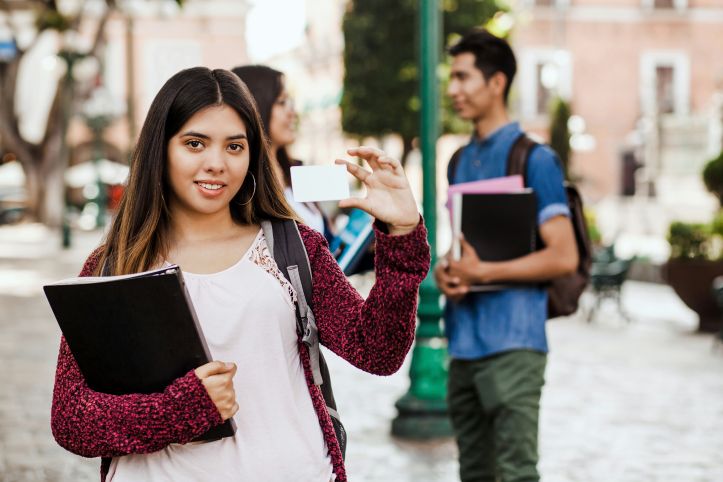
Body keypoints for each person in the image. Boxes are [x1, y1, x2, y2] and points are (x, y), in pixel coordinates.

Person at [51, 67, 430, 482]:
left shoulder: (294, 247)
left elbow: (377, 352)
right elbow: (72, 419)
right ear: (161, 148)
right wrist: (179, 411)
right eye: (195, 143)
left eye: (235, 146)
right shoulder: (113, 265)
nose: (216, 163)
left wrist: (402, 237)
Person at [434, 30, 578, 482]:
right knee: (473, 472)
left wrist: (484, 271)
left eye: (463, 77)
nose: (453, 89)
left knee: (516, 474)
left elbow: (564, 256)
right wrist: (448, 271)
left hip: (515, 344)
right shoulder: (458, 159)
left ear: (497, 83)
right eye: (451, 78)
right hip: (463, 345)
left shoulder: (535, 158)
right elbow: (460, 246)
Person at [231, 64, 333, 242]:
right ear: (255, 106)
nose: (293, 112)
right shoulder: (242, 185)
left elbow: (329, 239)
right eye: (281, 102)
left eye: (290, 102)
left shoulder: (297, 169)